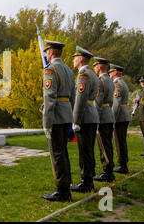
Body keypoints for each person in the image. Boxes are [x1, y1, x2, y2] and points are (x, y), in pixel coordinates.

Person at [41, 40, 75, 202]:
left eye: (47, 51)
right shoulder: (68, 70)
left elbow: (50, 96)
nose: (46, 53)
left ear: (51, 53)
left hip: (56, 116)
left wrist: (46, 122)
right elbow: (73, 96)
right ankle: (66, 186)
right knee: (63, 151)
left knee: (57, 153)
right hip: (66, 113)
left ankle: (62, 190)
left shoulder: (50, 70)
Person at [71, 46, 100, 193]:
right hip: (91, 115)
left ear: (81, 59)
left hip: (85, 117)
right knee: (88, 149)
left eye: (75, 57)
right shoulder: (91, 74)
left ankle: (86, 181)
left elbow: (80, 99)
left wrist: (75, 120)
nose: (73, 60)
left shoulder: (84, 75)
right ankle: (89, 177)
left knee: (84, 150)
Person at [92, 57, 115, 182]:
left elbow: (98, 102)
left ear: (100, 67)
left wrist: (95, 118)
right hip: (109, 113)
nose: (94, 68)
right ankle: (109, 168)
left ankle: (107, 171)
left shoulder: (100, 81)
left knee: (103, 145)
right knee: (108, 143)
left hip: (102, 116)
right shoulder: (110, 80)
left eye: (95, 65)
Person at [109, 64, 131, 173]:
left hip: (120, 116)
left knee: (119, 141)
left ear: (116, 72)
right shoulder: (122, 83)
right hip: (123, 115)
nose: (109, 73)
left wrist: (112, 120)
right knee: (121, 141)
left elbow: (116, 104)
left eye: (111, 71)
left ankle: (123, 165)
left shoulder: (117, 85)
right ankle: (123, 163)